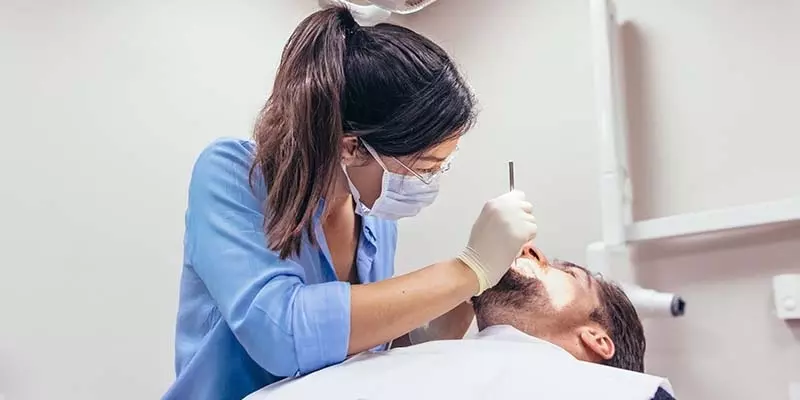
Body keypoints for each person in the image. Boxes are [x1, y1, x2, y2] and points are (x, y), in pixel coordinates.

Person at [163, 5, 539, 400]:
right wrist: (469, 269)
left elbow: (363, 347)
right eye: (425, 166)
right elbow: (283, 333)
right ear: (351, 147)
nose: (429, 181)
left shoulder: (375, 219)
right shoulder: (234, 174)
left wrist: (464, 297)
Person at [244, 243, 677, 400]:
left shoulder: (616, 392)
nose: (533, 253)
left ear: (597, 338)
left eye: (568, 273)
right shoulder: (396, 362)